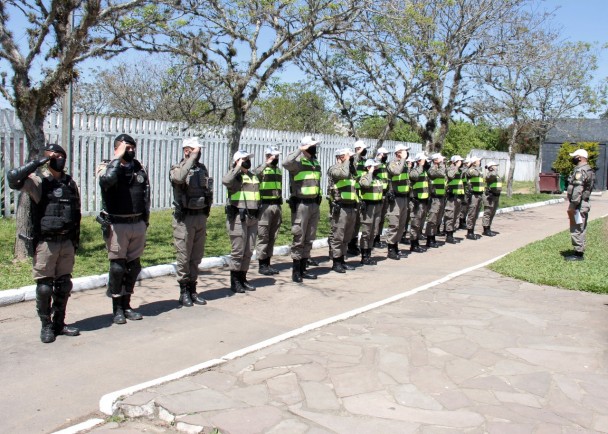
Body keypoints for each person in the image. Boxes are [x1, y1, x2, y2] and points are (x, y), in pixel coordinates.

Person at [7, 144, 81, 343]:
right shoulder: (38, 181)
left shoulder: (69, 183)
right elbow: (13, 179)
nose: (58, 158)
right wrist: (35, 164)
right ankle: (46, 325)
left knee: (64, 284)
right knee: (45, 287)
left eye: (61, 155)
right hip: (46, 243)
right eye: (53, 155)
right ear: (46, 159)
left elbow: (77, 213)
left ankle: (59, 323)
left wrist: (75, 240)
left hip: (66, 241)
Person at [97, 134, 149, 325]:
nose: (131, 151)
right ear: (117, 148)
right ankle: (117, 307)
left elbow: (146, 195)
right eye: (126, 147)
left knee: (134, 266)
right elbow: (106, 182)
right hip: (117, 224)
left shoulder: (140, 167)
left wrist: (146, 221)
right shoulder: (107, 166)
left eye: (132, 147)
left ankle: (127, 304)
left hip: (137, 223)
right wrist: (116, 159)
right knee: (118, 267)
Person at [170, 137, 213, 307]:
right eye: (196, 150)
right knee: (184, 256)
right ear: (187, 150)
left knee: (196, 256)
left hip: (200, 216)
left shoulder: (202, 169)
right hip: (184, 219)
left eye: (199, 150)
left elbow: (208, 189)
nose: (199, 153)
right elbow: (179, 178)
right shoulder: (177, 168)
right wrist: (191, 159)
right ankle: (183, 291)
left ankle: (193, 289)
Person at [283, 136, 322, 283]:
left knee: (309, 237)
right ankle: (296, 271)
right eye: (312, 146)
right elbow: (286, 162)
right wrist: (299, 150)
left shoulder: (315, 162)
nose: (314, 147)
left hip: (314, 204)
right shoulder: (297, 163)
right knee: (299, 237)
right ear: (305, 147)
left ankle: (304, 269)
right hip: (301, 205)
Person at [222, 149, 260, 292]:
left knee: (248, 250)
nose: (247, 161)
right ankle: (235, 281)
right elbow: (226, 180)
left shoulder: (252, 176)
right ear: (238, 161)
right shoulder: (234, 176)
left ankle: (243, 278)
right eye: (244, 159)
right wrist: (237, 166)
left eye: (248, 158)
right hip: (238, 217)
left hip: (252, 217)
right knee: (238, 251)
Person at [327, 148, 359, 273]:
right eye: (348, 156)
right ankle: (336, 262)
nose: (350, 159)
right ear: (341, 157)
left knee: (347, 236)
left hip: (351, 207)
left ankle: (342, 259)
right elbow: (343, 174)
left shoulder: (349, 170)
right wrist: (345, 161)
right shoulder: (334, 169)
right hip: (340, 208)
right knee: (338, 236)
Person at [253, 145, 283, 276]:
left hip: (277, 205)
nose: (276, 158)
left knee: (272, 235)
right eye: (274, 156)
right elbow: (254, 174)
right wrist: (266, 164)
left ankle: (268, 263)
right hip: (265, 206)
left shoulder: (278, 170)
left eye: (277, 156)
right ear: (267, 156)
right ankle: (262, 264)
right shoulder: (262, 169)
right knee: (263, 235)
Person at [565, 149, 595, 261]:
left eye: (575, 156)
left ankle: (578, 254)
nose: (573, 158)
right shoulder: (588, 169)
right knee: (581, 227)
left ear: (580, 158)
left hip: (578, 204)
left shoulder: (580, 171)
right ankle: (579, 250)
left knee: (576, 227)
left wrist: (573, 204)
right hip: (583, 203)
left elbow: (578, 189)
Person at [385, 144, 410, 260]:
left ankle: (396, 246)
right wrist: (403, 159)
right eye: (404, 151)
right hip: (395, 198)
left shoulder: (404, 164)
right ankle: (390, 249)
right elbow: (396, 172)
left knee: (401, 224)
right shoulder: (392, 164)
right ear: (398, 153)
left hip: (404, 197)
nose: (406, 153)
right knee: (394, 224)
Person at [358, 158, 384, 265]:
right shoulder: (364, 177)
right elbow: (366, 185)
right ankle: (364, 256)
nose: (377, 168)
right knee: (367, 232)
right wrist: (369, 173)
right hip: (368, 207)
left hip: (377, 206)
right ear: (369, 167)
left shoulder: (377, 178)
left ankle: (369, 253)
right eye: (375, 167)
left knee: (374, 231)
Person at [346, 140, 369, 256]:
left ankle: (353, 244)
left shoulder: (364, 162)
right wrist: (357, 154)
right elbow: (352, 167)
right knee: (352, 222)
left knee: (358, 221)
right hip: (352, 194)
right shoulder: (352, 161)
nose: (365, 151)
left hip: (361, 195)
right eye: (363, 149)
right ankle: (349, 244)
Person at [409, 152, 430, 253]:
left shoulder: (425, 171)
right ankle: (413, 244)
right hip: (417, 201)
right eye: (423, 160)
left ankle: (417, 242)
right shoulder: (414, 171)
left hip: (424, 201)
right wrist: (420, 165)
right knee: (415, 224)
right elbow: (414, 176)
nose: (425, 162)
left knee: (421, 223)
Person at [425, 153, 446, 248]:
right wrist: (441, 164)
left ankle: (433, 237)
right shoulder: (432, 169)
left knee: (438, 219)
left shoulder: (440, 168)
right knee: (432, 219)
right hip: (434, 198)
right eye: (441, 159)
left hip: (441, 197)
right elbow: (441, 173)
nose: (443, 161)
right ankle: (429, 239)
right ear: (436, 160)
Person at [444, 155, 465, 244]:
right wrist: (456, 166)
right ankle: (449, 235)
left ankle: (452, 233)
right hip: (451, 197)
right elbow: (450, 176)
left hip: (458, 197)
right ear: (455, 161)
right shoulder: (450, 169)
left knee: (455, 216)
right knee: (450, 216)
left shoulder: (459, 170)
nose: (461, 162)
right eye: (459, 161)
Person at [373, 147, 390, 248]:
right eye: (384, 154)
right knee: (377, 218)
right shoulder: (376, 164)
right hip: (378, 194)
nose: (386, 156)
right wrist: (378, 159)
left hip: (385, 194)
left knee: (382, 218)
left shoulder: (386, 165)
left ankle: (378, 238)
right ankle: (374, 238)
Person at [465, 155, 484, 240]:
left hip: (479, 194)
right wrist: (477, 167)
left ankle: (472, 230)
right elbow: (475, 174)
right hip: (473, 195)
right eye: (478, 161)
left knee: (476, 214)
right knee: (472, 213)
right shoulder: (471, 170)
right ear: (474, 162)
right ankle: (470, 232)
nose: (479, 162)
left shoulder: (478, 169)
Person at [482, 161, 502, 237]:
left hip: (496, 196)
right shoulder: (490, 174)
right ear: (491, 167)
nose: (496, 167)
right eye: (495, 165)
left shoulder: (495, 174)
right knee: (488, 213)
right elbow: (492, 174)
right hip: (490, 197)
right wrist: (493, 169)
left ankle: (489, 227)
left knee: (492, 213)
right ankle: (486, 229)